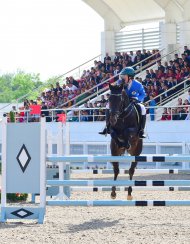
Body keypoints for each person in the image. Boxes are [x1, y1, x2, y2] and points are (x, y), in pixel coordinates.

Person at [99, 66, 146, 139]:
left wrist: (137, 98)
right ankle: (107, 127)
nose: (122, 78)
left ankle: (141, 130)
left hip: (134, 101)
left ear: (130, 77)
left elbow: (143, 95)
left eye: (124, 76)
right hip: (122, 101)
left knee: (143, 108)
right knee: (108, 106)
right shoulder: (119, 82)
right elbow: (115, 91)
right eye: (122, 76)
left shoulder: (138, 85)